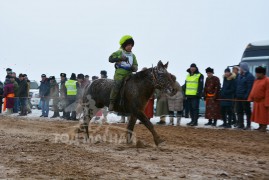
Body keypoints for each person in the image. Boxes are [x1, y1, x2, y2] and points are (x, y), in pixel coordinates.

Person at [108, 35, 138, 111]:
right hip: (120, 74)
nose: (130, 47)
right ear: (124, 45)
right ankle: (112, 102)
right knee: (117, 85)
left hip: (129, 74)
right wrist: (120, 58)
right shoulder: (119, 52)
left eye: (131, 45)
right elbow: (110, 59)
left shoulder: (133, 55)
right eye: (128, 45)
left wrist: (134, 68)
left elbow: (136, 65)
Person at [248, 66, 269, 132]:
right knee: (258, 115)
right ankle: (260, 126)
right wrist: (250, 97)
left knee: (263, 115)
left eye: (258, 73)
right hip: (256, 101)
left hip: (263, 101)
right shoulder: (256, 80)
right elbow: (253, 89)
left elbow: (268, 92)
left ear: (262, 73)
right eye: (256, 73)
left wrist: (267, 102)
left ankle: (264, 127)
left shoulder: (267, 80)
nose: (256, 74)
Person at [236, 62, 255, 129]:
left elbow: (250, 88)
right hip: (238, 96)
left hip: (245, 97)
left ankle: (248, 125)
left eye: (240, 68)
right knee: (239, 110)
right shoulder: (239, 76)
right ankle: (241, 124)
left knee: (247, 111)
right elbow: (237, 86)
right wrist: (236, 94)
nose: (239, 69)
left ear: (243, 68)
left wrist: (246, 96)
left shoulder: (250, 76)